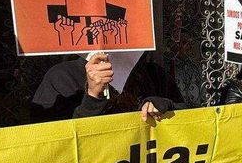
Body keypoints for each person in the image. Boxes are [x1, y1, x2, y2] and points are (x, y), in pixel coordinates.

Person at [30, 52, 182, 122]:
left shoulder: (155, 74)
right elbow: (52, 146)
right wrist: (92, 97)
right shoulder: (62, 77)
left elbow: (188, 121)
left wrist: (166, 108)